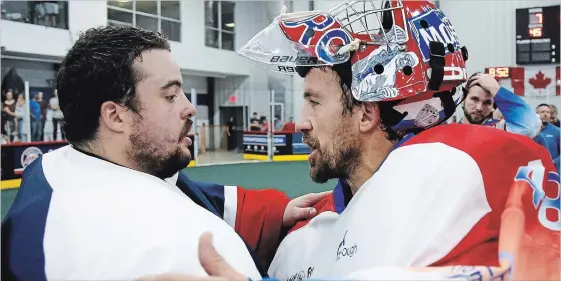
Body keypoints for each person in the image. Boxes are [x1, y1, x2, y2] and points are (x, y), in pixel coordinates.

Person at [167, 1, 558, 280]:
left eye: (314, 102)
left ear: (367, 113)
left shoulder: (466, 166)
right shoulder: (308, 223)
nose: (301, 123)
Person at [1, 26, 324, 280]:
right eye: (170, 96)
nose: (188, 108)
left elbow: (182, 189)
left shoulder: (65, 165)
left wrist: (270, 212)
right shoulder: (169, 244)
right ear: (116, 116)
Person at [458, 72, 540, 138]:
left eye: (487, 103)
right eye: (475, 99)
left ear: (493, 106)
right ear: (463, 99)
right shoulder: (449, 132)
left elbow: (530, 127)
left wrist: (496, 89)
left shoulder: (499, 130)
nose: (479, 108)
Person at [536, 103, 560, 170]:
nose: (545, 114)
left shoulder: (557, 131)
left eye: (548, 112)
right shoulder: (531, 132)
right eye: (542, 112)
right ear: (536, 114)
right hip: (537, 169)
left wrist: (553, 162)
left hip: (553, 171)